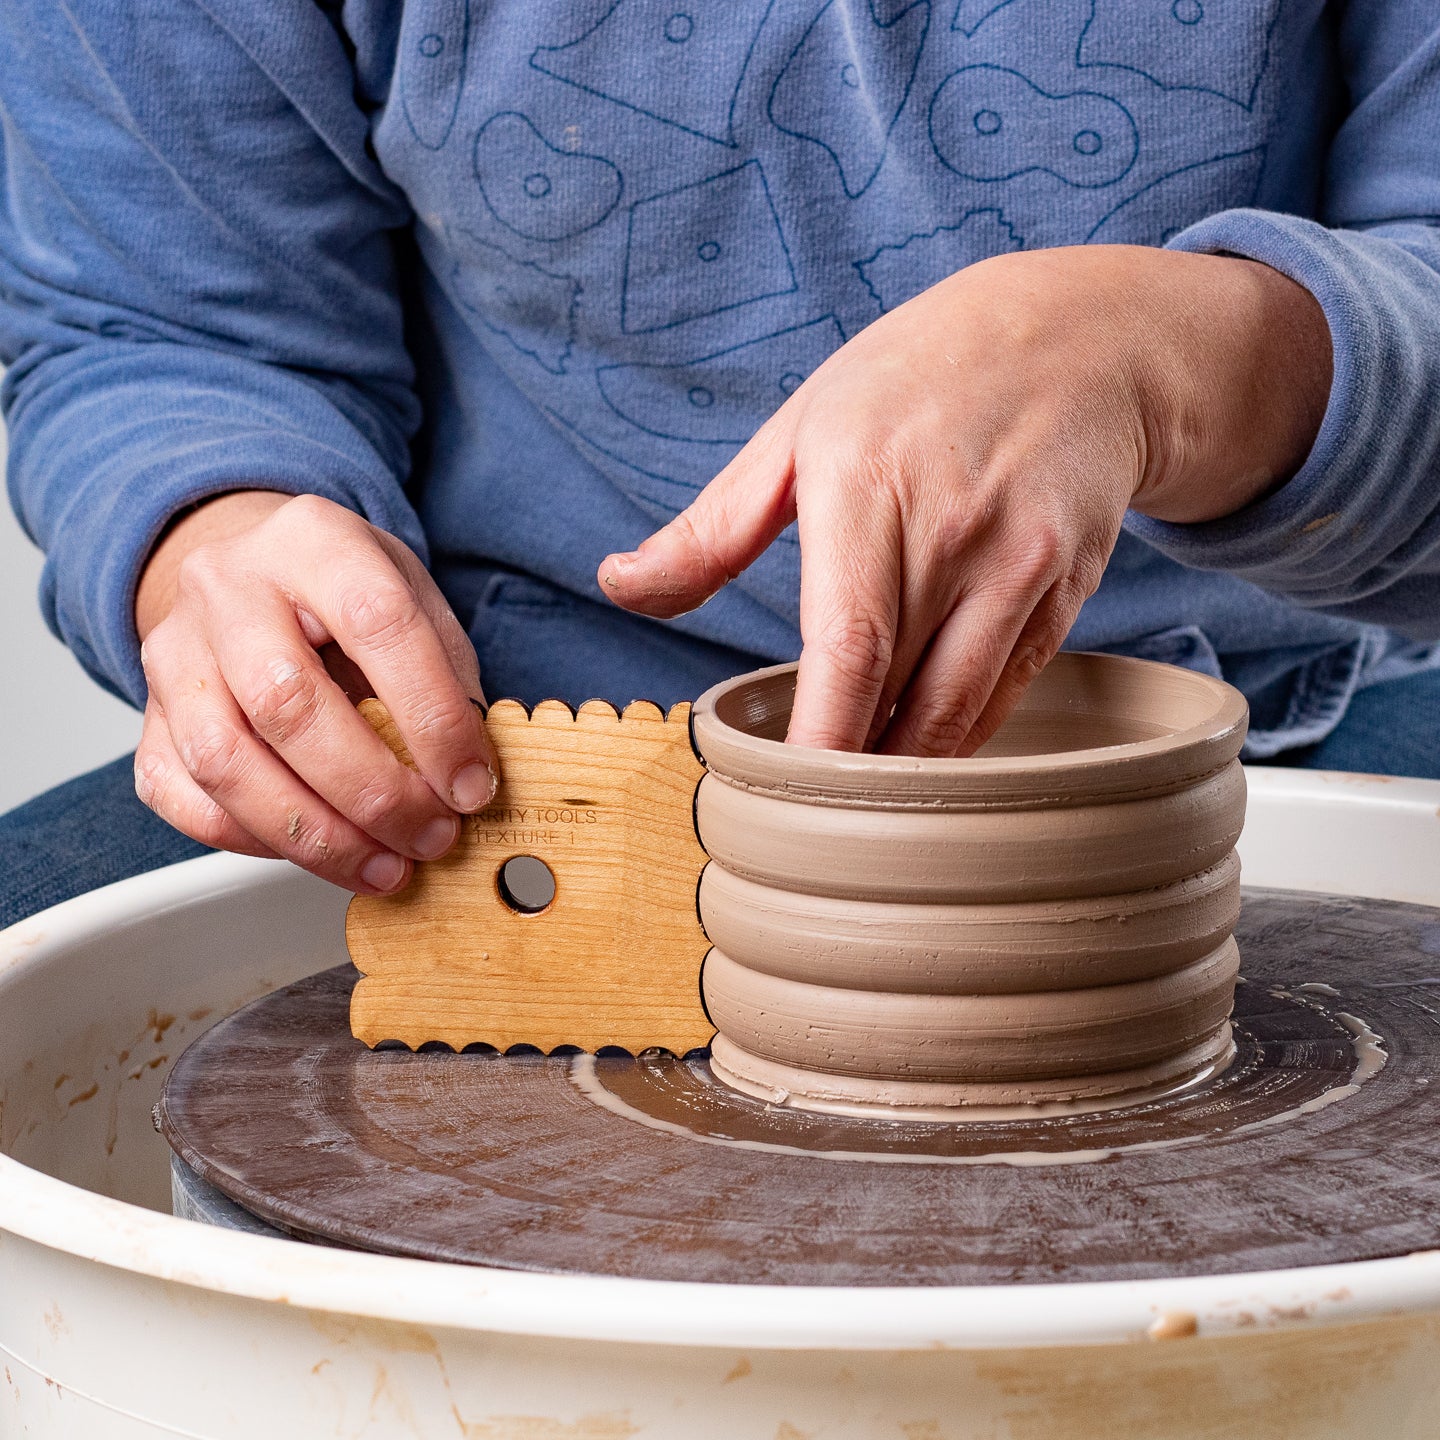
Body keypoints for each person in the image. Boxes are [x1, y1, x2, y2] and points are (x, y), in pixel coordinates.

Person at [2, 1, 1438, 930]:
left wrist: (1170, 361)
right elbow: (158, 322)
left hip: (1296, 703)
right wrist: (217, 538)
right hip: (529, 750)